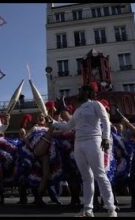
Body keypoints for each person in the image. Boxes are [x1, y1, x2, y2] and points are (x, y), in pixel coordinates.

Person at [49, 83, 117, 217]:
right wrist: (52, 123)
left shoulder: (96, 104)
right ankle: (88, 209)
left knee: (100, 174)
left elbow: (105, 121)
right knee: (86, 178)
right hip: (78, 144)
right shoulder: (77, 110)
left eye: (81, 90)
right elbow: (68, 126)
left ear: (88, 92)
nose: (79, 92)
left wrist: (106, 139)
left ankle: (111, 208)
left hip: (94, 141)